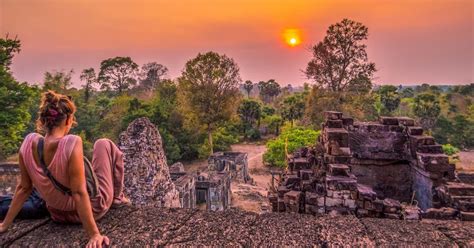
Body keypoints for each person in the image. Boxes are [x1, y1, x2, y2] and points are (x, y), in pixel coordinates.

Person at [0, 90, 129, 247]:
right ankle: (117, 198)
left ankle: (115, 197)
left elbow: (23, 188)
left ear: (43, 121)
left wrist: (5, 225)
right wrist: (94, 234)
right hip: (92, 210)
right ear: (68, 120)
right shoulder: (71, 142)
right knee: (103, 143)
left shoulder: (28, 142)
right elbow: (79, 193)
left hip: (57, 214)